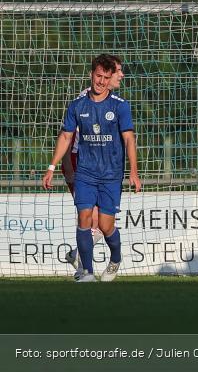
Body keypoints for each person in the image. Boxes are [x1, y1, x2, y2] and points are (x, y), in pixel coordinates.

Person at [42, 54, 141, 282]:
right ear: (91, 75)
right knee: (84, 217)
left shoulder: (120, 106)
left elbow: (129, 139)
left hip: (110, 174)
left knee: (106, 226)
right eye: (98, 76)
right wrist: (52, 167)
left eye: (107, 77)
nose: (102, 81)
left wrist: (133, 172)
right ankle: (86, 271)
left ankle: (115, 258)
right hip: (85, 172)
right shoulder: (78, 105)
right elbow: (66, 136)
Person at [63, 55, 124, 278]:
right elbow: (69, 137)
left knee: (102, 223)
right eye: (118, 70)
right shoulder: (84, 102)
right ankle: (83, 267)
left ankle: (79, 257)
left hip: (104, 167)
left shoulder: (115, 103)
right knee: (89, 218)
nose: (120, 75)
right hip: (81, 162)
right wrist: (66, 167)